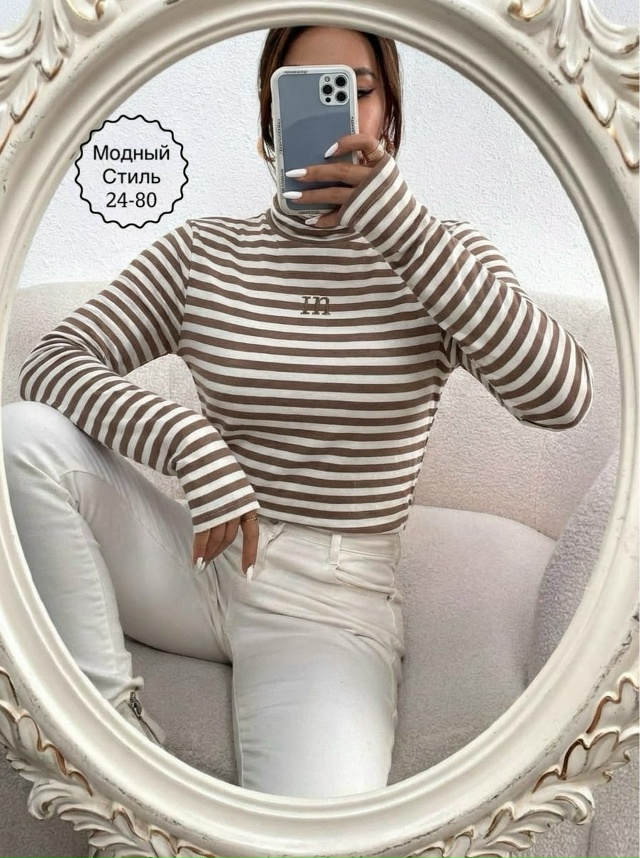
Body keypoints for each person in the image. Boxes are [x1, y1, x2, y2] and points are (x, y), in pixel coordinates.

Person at [2, 26, 593, 799]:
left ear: (388, 114)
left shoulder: (443, 256)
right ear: (269, 115)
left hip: (333, 601)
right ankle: (105, 743)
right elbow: (50, 362)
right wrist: (186, 441)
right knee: (21, 438)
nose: (336, 114)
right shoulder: (204, 255)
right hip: (203, 560)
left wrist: (400, 227)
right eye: (302, 90)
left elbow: (560, 396)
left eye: (358, 90)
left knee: (310, 835)